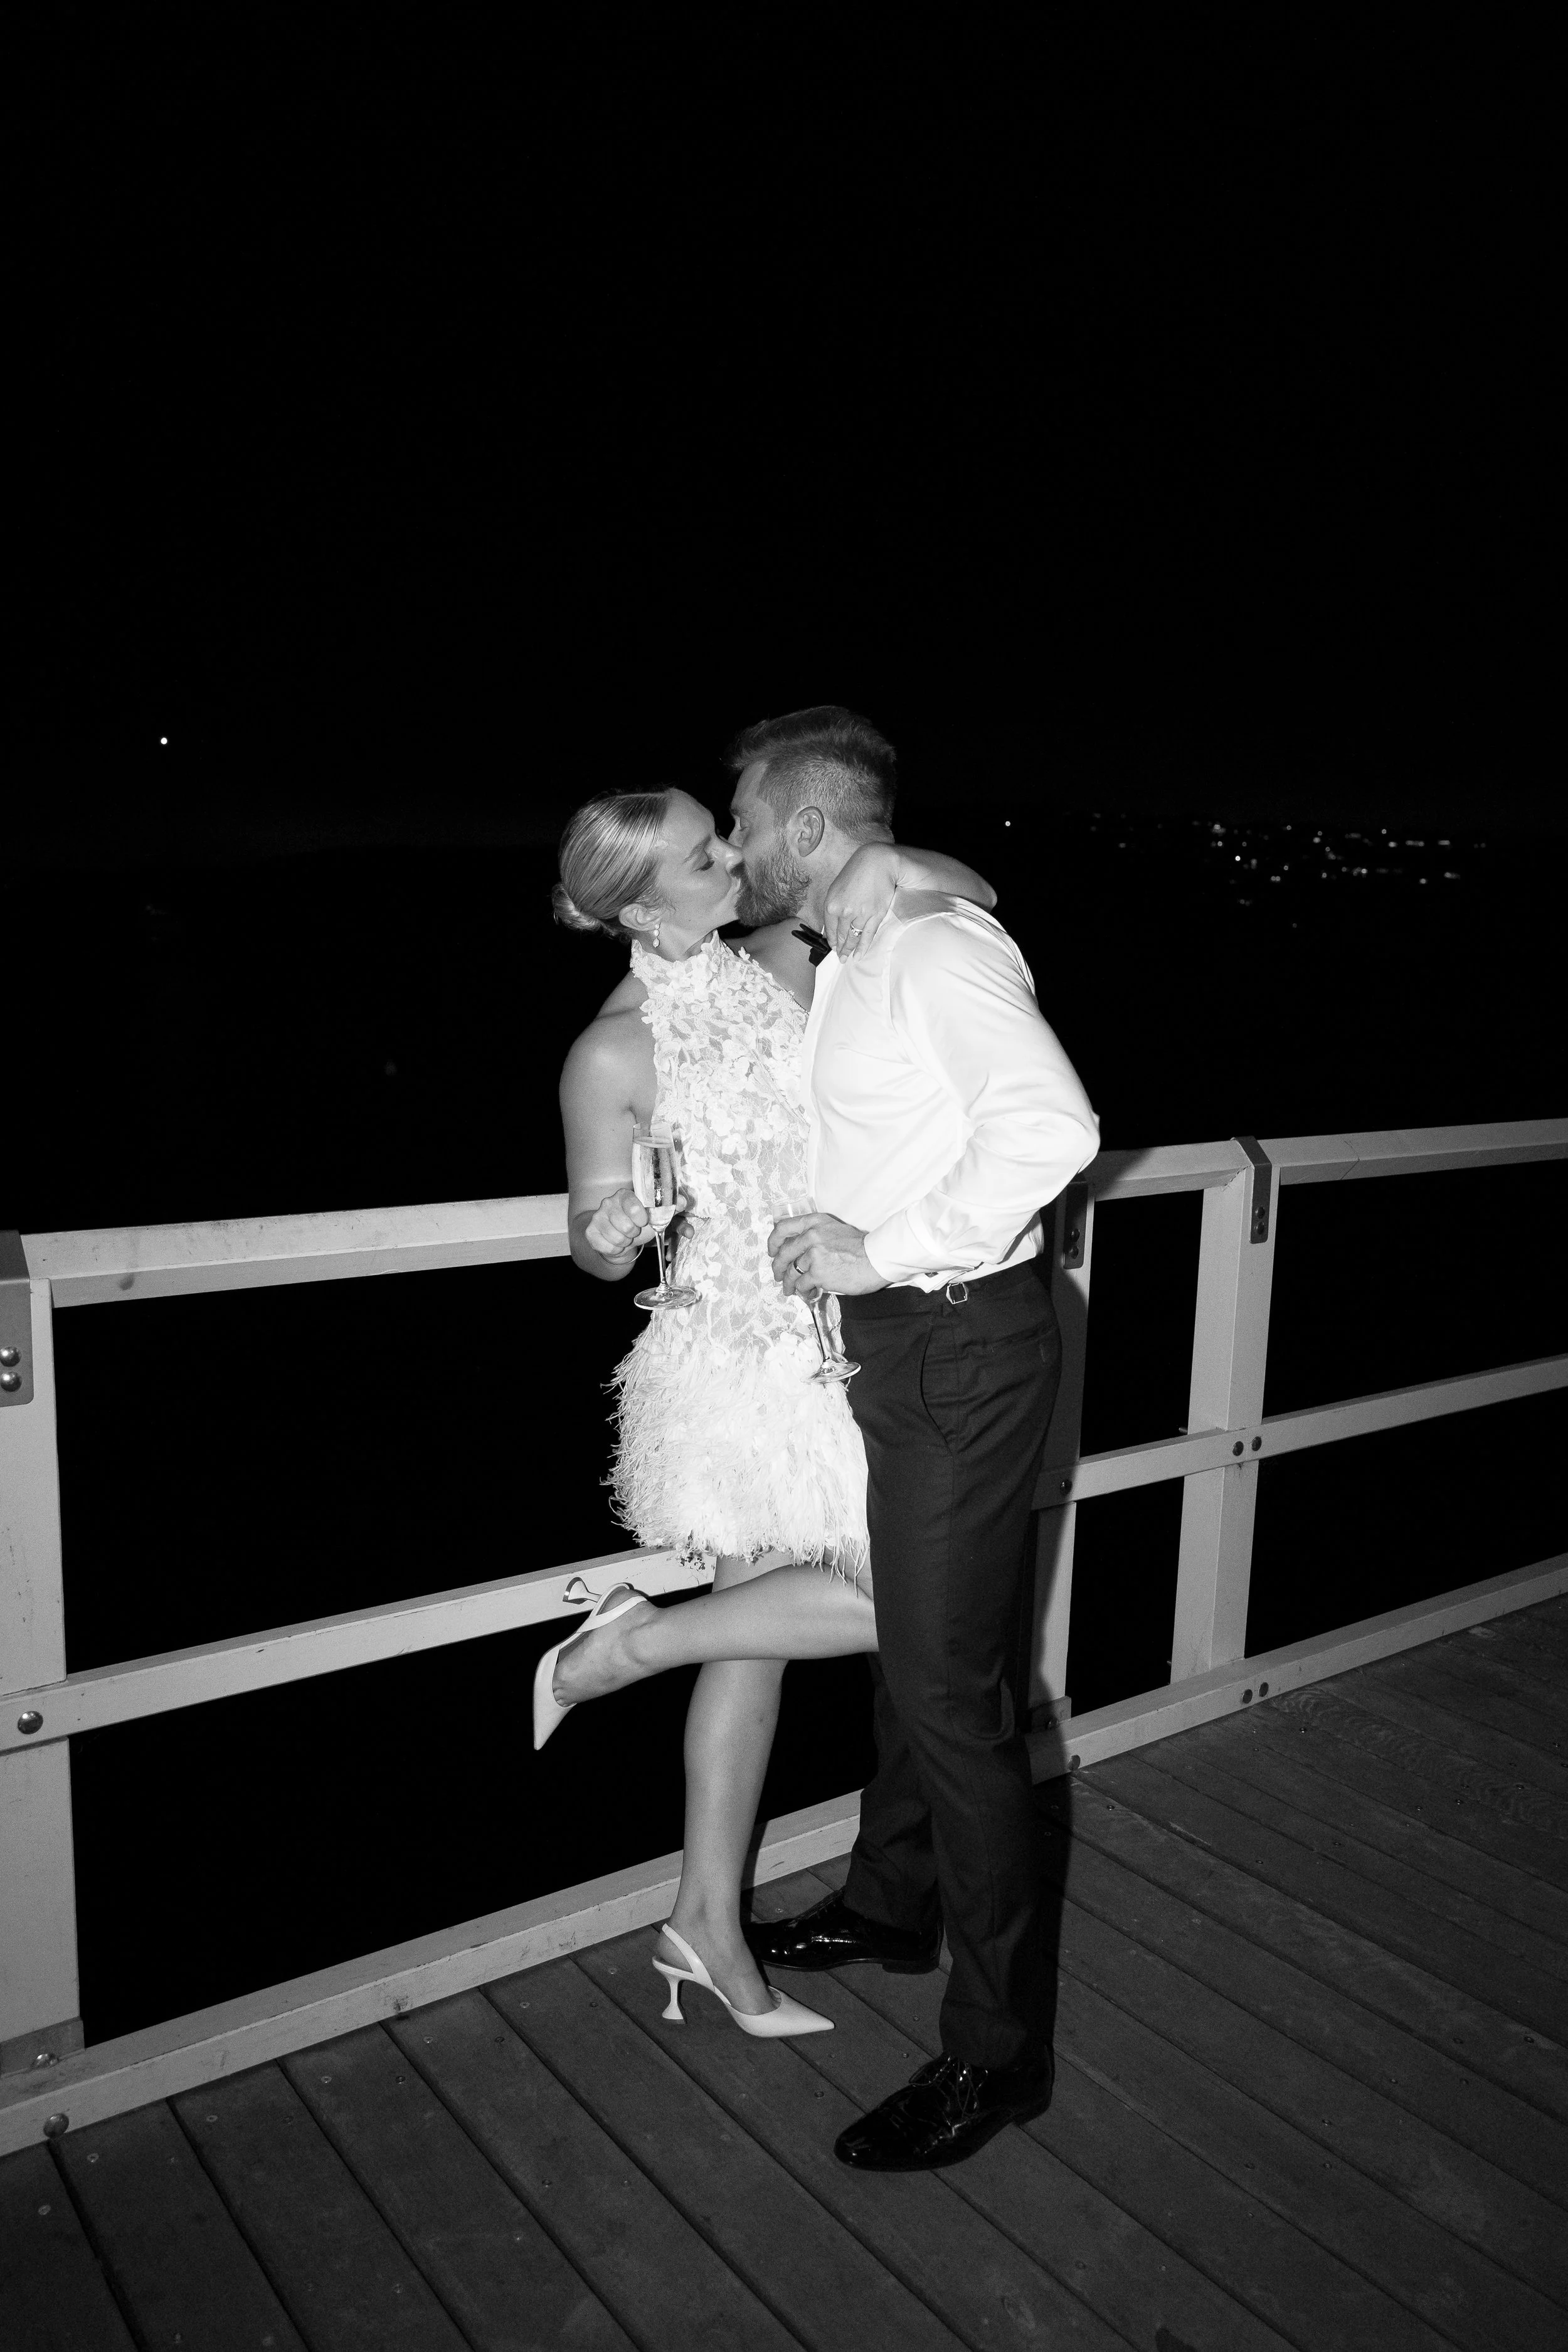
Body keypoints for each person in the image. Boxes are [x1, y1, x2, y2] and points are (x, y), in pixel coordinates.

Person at [547, 712, 998, 2040]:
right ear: (644, 897)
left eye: (721, 830)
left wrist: (884, 860)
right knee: (891, 1612)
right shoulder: (610, 1053)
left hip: (834, 1342)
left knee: (760, 1648)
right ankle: (640, 1662)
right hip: (731, 1369)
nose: (734, 854)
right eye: (704, 851)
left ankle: (700, 1917)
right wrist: (606, 1233)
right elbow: (583, 1245)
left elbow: (971, 889)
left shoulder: (787, 956)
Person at [741, 706, 1100, 2171]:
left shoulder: (930, 947)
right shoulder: (866, 944)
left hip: (953, 1339)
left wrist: (879, 1251)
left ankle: (995, 2058)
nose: (737, 838)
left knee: (956, 1707)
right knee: (916, 1652)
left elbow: (1052, 1128)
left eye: (748, 817)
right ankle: (892, 1905)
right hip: (911, 1346)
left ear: (812, 830)